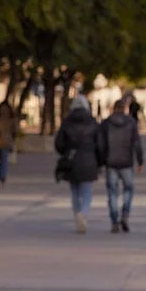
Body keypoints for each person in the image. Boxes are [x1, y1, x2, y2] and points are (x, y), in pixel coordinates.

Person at [54, 94, 101, 234]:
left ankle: (77, 214)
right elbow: (100, 144)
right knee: (87, 192)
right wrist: (99, 160)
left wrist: (66, 152)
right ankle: (84, 213)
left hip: (72, 160)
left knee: (74, 191)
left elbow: (59, 143)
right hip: (88, 160)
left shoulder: (67, 122)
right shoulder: (92, 122)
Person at [99, 98, 144, 234]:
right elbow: (137, 143)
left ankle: (114, 221)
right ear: (124, 108)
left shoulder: (106, 123)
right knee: (128, 189)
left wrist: (101, 161)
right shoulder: (131, 123)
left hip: (111, 162)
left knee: (112, 192)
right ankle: (125, 214)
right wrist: (140, 161)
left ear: (113, 108)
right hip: (126, 162)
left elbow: (101, 145)